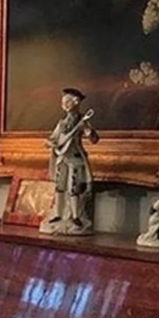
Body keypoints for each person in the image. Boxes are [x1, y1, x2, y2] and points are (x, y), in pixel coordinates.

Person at [41, 88, 99, 235]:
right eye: (63, 102)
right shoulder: (61, 123)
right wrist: (49, 143)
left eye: (67, 101)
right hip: (62, 158)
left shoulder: (82, 121)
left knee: (74, 188)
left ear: (76, 102)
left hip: (74, 158)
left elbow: (93, 139)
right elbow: (54, 137)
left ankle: (75, 216)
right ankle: (58, 214)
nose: (64, 105)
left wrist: (90, 132)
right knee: (60, 186)